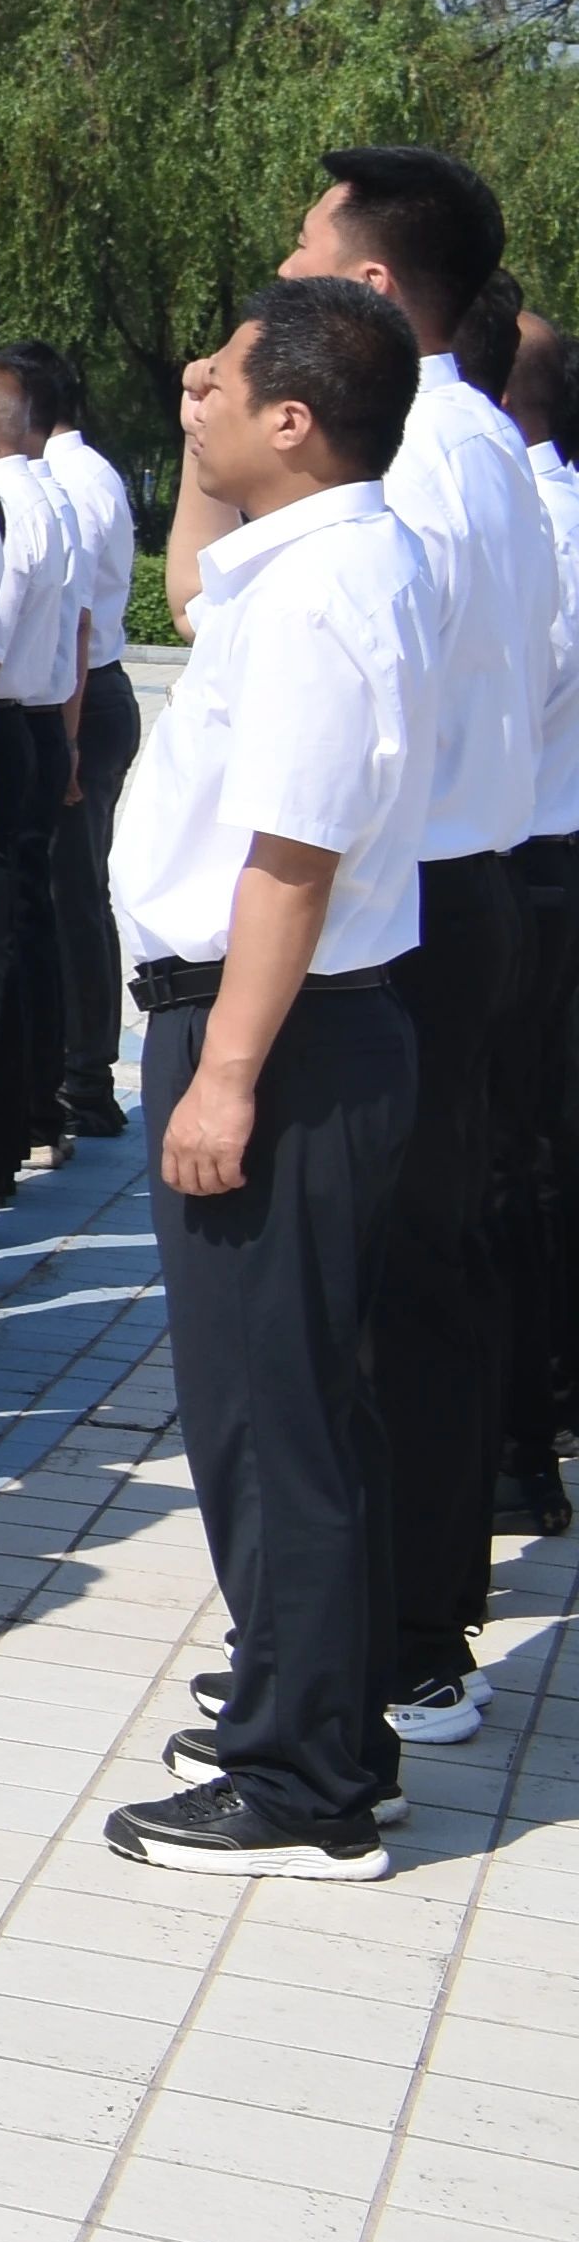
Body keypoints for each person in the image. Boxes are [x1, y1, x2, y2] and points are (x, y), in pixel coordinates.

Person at [102, 277, 427, 1881]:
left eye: (221, 383)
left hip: (275, 1032)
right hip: (289, 1021)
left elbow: (291, 856)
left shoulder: (319, 594)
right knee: (297, 1404)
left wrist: (224, 1076)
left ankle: (302, 1783)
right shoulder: (319, 558)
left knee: (265, 1417)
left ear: (293, 420)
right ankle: (326, 1721)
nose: (195, 390)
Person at [266, 149, 551, 1747]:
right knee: (419, 1260)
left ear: (371, 285)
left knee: (394, 1279)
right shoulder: (481, 442)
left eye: (307, 243)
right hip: (463, 881)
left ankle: (412, 1640)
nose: (283, 265)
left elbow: (376, 696)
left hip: (419, 901)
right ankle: (396, 1620)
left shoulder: (420, 461)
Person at [0, 350, 88, 1243]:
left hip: (1, 724)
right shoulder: (51, 497)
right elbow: (78, 634)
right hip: (36, 725)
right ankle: (24, 1119)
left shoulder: (5, 505)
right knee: (18, 936)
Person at [24, 344, 147, 1148]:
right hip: (87, 692)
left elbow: (76, 623)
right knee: (70, 889)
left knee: (72, 892)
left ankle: (86, 1080)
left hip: (83, 697)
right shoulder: (85, 472)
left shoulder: (71, 480)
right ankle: (78, 1072)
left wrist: (65, 741)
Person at [509, 306, 579, 1540]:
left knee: (518, 1154)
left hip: (526, 856)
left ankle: (528, 1433)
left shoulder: (531, 518)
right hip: (540, 852)